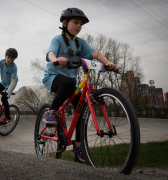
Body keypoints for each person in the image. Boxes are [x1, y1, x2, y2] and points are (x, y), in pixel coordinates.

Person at [42, 8, 117, 162]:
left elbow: (94, 53)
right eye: (75, 22)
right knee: (69, 82)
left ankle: (78, 147)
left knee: (81, 109)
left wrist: (107, 63)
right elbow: (50, 53)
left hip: (70, 84)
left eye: (81, 24)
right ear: (65, 23)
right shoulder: (57, 39)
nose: (78, 26)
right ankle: (51, 111)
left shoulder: (80, 43)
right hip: (53, 77)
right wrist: (55, 59)